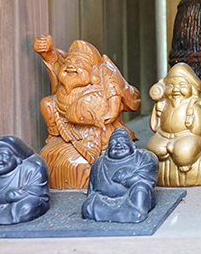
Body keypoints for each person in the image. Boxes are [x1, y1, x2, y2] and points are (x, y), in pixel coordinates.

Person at [34, 35, 141, 189]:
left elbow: (126, 95)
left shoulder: (102, 86)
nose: (71, 66)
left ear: (94, 71)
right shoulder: (63, 88)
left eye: (79, 63)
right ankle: (54, 136)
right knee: (49, 155)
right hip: (67, 133)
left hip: (98, 136)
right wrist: (47, 54)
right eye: (68, 62)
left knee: (87, 165)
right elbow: (56, 64)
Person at [148, 63, 201, 186]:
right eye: (170, 86)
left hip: (188, 136)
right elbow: (155, 126)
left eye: (182, 85)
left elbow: (199, 130)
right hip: (164, 136)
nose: (175, 89)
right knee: (153, 149)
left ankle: (185, 161)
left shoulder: (193, 106)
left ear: (192, 87)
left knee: (183, 152)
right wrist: (158, 109)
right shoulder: (164, 105)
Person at [81, 128, 158, 223]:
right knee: (87, 206)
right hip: (103, 200)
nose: (118, 144)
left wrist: (126, 179)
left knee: (141, 187)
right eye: (113, 142)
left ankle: (135, 213)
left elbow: (146, 178)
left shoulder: (144, 157)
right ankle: (120, 214)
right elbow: (91, 190)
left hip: (131, 199)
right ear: (108, 148)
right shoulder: (99, 162)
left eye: (123, 141)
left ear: (133, 145)